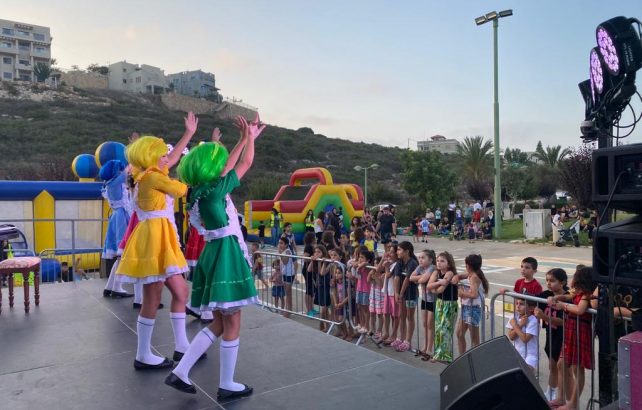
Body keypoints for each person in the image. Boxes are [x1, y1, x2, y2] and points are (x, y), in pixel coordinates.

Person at [165, 114, 265, 400]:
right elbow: (244, 163)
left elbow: (229, 166)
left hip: (212, 252)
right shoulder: (215, 191)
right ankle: (226, 384)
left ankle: (181, 371)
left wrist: (245, 138)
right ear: (211, 168)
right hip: (225, 253)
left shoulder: (198, 192)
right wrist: (248, 139)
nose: (223, 165)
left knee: (219, 323)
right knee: (232, 322)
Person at [117, 112, 198, 372]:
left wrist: (189, 133)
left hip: (161, 236)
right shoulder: (152, 178)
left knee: (180, 292)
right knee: (152, 298)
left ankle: (182, 345)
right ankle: (143, 354)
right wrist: (195, 173)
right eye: (162, 155)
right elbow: (180, 189)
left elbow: (172, 160)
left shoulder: (145, 173)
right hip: (155, 239)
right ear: (152, 158)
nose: (168, 158)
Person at [549, 267, 597, 410]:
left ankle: (573, 403)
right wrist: (557, 298)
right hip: (572, 330)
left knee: (577, 369)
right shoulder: (578, 292)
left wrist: (563, 306)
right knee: (561, 364)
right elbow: (568, 297)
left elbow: (580, 310)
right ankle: (561, 397)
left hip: (580, 331)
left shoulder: (586, 295)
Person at [100, 159, 133, 298]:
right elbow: (127, 172)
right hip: (121, 218)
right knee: (122, 255)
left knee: (120, 256)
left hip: (117, 217)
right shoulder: (114, 183)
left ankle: (110, 286)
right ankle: (117, 288)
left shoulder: (109, 184)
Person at [534, 268, 568, 403]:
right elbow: (530, 298)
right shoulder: (546, 294)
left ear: (562, 282)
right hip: (551, 335)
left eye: (552, 281)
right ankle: (550, 392)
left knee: (562, 368)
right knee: (552, 365)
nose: (548, 283)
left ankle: (561, 396)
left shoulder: (567, 298)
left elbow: (563, 321)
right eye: (547, 280)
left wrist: (544, 317)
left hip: (564, 337)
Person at [427, 252, 458, 363]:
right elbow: (429, 286)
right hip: (440, 302)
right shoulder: (436, 272)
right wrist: (438, 283)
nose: (439, 263)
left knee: (446, 329)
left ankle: (445, 354)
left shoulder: (449, 273)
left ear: (448, 263)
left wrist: (435, 286)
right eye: (438, 261)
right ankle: (438, 353)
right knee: (438, 328)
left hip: (450, 304)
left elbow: (440, 290)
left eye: (442, 261)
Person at [455, 255, 488, 355]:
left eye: (466, 264)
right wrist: (457, 277)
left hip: (473, 309)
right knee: (459, 333)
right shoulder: (471, 274)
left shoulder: (474, 277)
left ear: (468, 265)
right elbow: (461, 276)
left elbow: (474, 294)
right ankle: (462, 357)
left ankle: (475, 359)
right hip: (466, 307)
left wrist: (461, 293)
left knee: (474, 338)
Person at [410, 249, 436, 360]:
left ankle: (429, 348)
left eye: (423, 258)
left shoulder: (432, 267)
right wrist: (421, 278)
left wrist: (420, 278)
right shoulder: (420, 267)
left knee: (430, 325)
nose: (420, 260)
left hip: (432, 300)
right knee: (425, 324)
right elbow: (411, 277)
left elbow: (422, 280)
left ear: (430, 260)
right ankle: (425, 346)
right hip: (424, 299)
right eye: (419, 257)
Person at [395, 241, 419, 352]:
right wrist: (396, 293)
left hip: (411, 294)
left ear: (407, 251)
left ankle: (408, 341)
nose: (397, 252)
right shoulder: (399, 262)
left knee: (410, 317)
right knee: (402, 315)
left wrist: (400, 294)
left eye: (399, 250)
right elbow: (397, 277)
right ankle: (401, 338)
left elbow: (407, 279)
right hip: (403, 293)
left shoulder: (412, 263)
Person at [506, 298, 539, 372]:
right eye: (517, 303)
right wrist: (520, 325)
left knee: (526, 373)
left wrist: (516, 325)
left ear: (531, 308)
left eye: (521, 304)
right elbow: (511, 336)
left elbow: (525, 339)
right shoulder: (514, 317)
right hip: (516, 352)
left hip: (530, 355)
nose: (518, 306)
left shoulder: (533, 321)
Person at [381, 243, 400, 346]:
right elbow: (378, 269)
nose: (390, 254)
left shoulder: (396, 264)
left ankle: (394, 335)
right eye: (389, 251)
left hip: (393, 292)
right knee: (386, 313)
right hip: (387, 291)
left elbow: (388, 275)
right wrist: (383, 260)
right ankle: (386, 332)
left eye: (392, 252)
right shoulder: (390, 262)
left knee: (395, 315)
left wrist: (387, 267)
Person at [312, 244, 331, 331]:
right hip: (320, 286)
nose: (316, 253)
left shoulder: (327, 261)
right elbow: (309, 269)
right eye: (315, 252)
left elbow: (322, 273)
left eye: (318, 252)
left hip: (326, 286)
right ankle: (326, 324)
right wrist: (312, 260)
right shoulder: (317, 261)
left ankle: (323, 323)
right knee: (323, 307)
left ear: (323, 252)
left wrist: (322, 262)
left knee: (325, 307)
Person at [355, 248, 373, 334]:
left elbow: (367, 265)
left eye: (362, 257)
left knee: (366, 309)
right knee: (359, 307)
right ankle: (361, 324)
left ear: (367, 259)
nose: (360, 259)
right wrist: (358, 265)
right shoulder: (359, 266)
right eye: (359, 257)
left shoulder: (368, 266)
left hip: (366, 290)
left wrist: (364, 264)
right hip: (359, 289)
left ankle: (366, 326)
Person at [276, 237, 295, 318]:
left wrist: (280, 253)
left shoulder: (287, 251)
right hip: (285, 274)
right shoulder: (283, 251)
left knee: (287, 293)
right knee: (288, 293)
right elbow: (281, 264)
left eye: (281, 243)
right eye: (279, 243)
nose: (280, 245)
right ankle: (289, 309)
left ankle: (288, 310)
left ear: (286, 244)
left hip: (289, 274)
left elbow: (285, 261)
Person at [301, 232, 317, 317]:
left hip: (311, 270)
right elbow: (305, 258)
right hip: (307, 270)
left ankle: (312, 308)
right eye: (315, 237)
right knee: (309, 290)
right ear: (312, 238)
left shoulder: (311, 246)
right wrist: (312, 259)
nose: (316, 239)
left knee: (311, 290)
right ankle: (309, 310)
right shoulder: (308, 247)